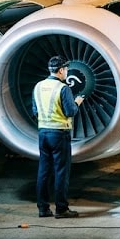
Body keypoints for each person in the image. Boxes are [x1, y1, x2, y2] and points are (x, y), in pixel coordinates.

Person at [33, 55, 86, 219]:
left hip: (43, 133)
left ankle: (43, 208)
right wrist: (77, 102)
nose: (67, 73)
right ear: (61, 70)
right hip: (59, 134)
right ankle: (61, 209)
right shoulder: (63, 89)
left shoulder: (38, 87)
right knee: (61, 172)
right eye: (66, 70)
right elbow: (70, 112)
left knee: (43, 171)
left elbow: (35, 111)